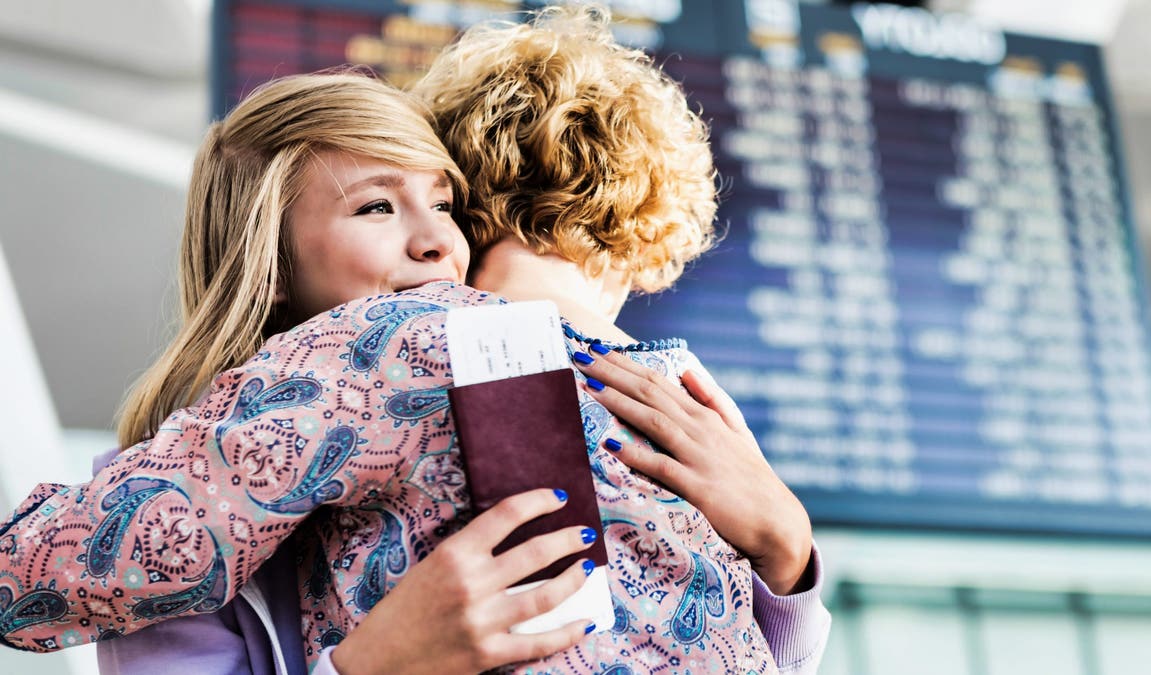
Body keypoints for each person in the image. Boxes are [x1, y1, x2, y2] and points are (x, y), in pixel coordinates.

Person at [0, 6, 830, 674]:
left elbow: (31, 580)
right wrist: (788, 556)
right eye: (376, 205)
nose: (436, 244)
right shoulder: (687, 394)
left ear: (474, 200)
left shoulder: (396, 340)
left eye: (443, 203)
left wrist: (787, 548)